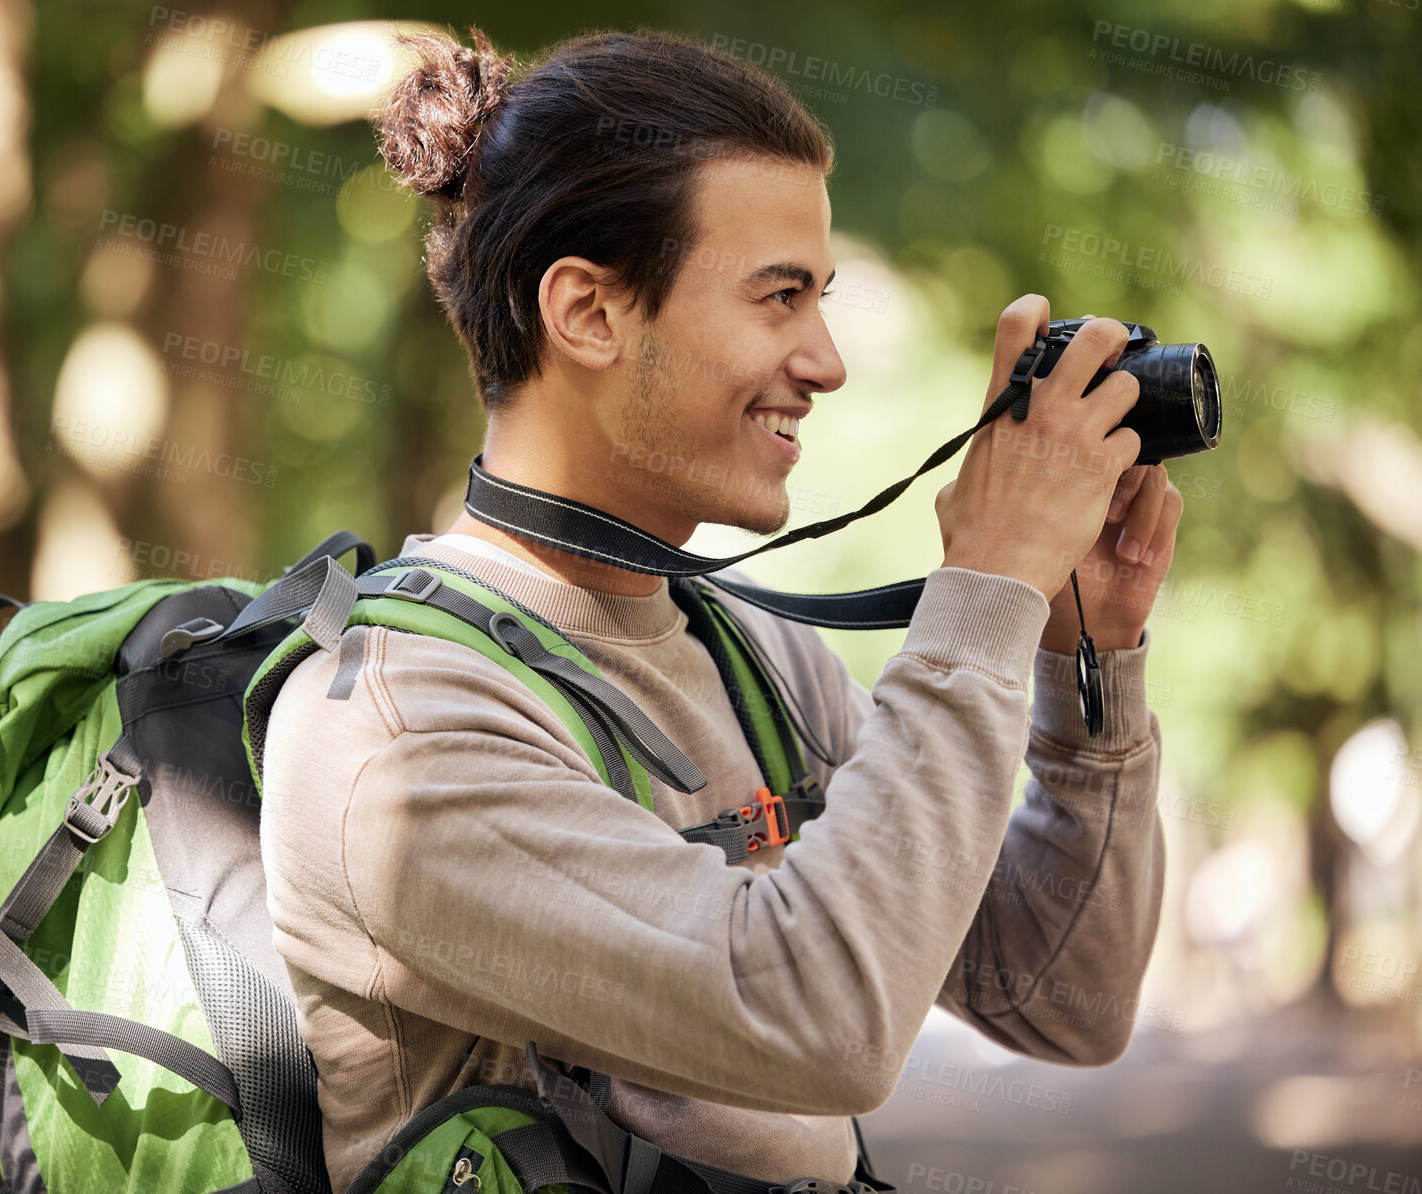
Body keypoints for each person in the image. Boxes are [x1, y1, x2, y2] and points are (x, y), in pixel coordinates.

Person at [259, 26, 1179, 1192]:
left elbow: (1058, 1002)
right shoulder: (396, 726)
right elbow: (819, 1023)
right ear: (587, 312)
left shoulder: (752, 653)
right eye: (779, 297)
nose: (828, 360)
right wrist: (983, 587)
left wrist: (1081, 664)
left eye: (821, 297)